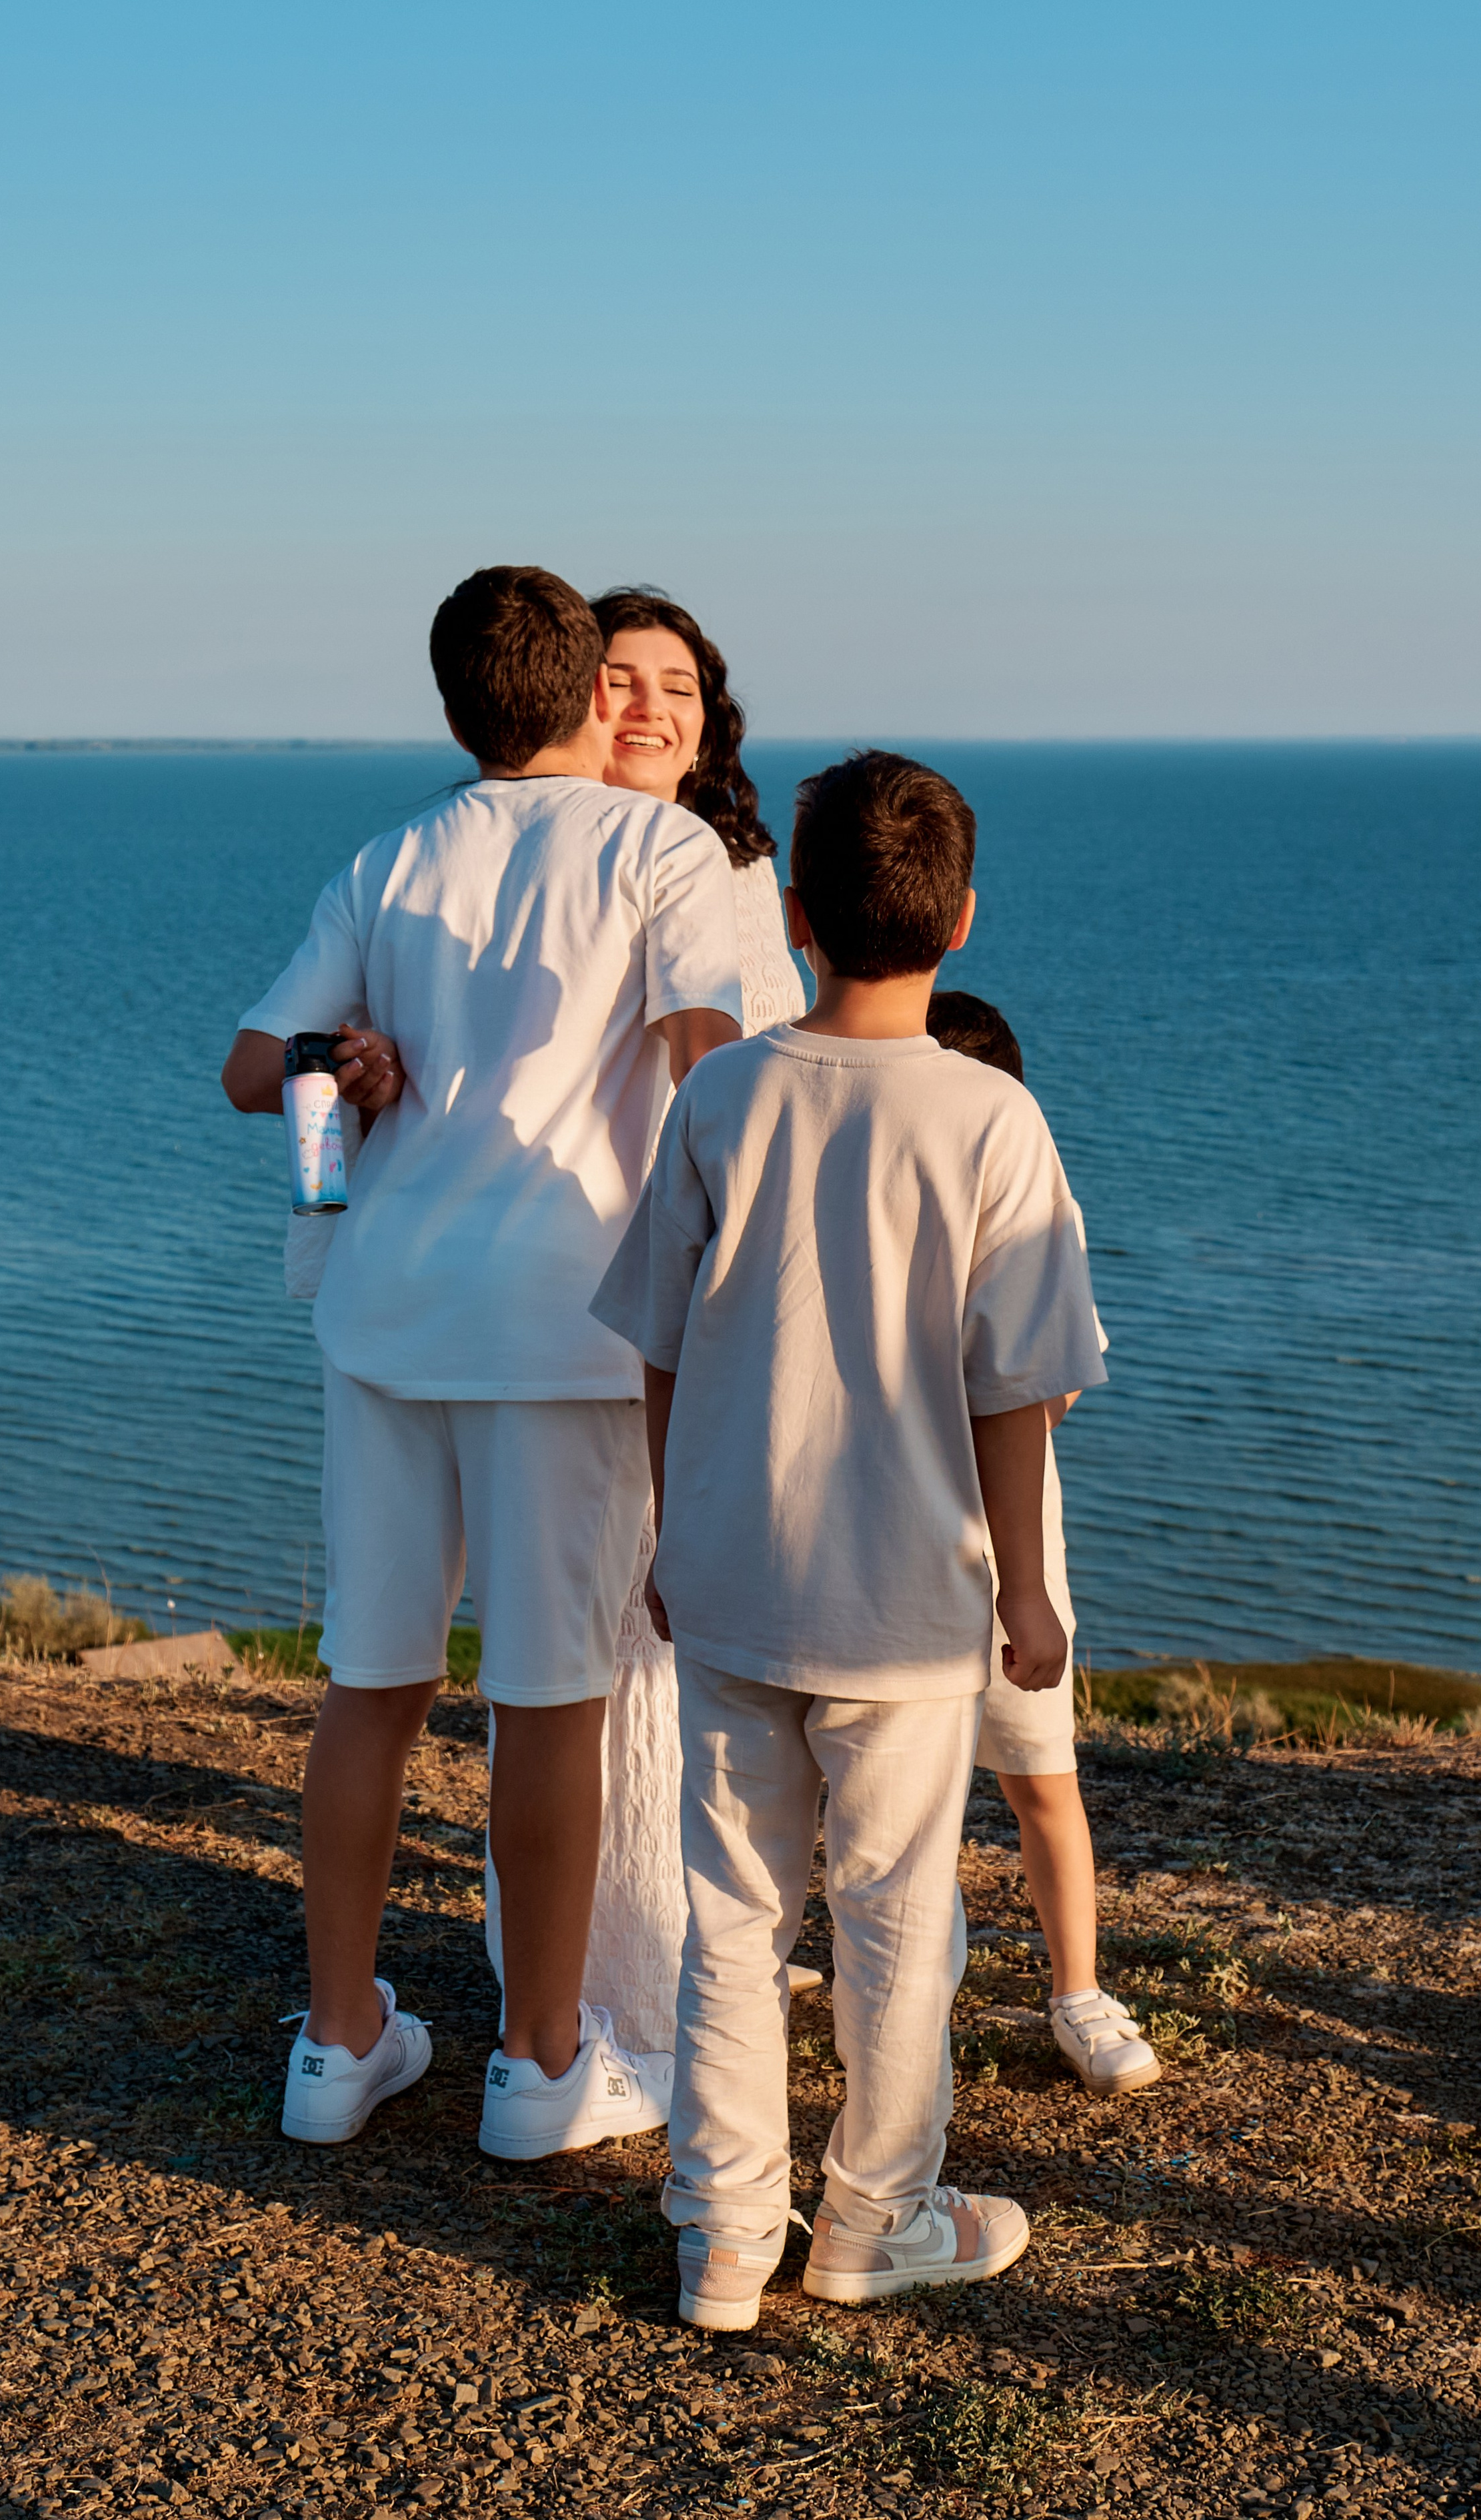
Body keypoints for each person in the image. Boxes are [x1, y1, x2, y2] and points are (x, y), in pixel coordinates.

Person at [221, 565, 743, 2160]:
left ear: (452, 706)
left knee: (371, 1685)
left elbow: (255, 1069)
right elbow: (711, 1065)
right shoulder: (665, 847)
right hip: (570, 1329)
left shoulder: (390, 855)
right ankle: (535, 2063)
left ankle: (335, 2042)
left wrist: (348, 1062)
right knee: (547, 1703)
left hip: (385, 1314)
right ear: (594, 694)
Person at [589, 750, 1108, 2329]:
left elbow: (659, 1345)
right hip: (908, 1603)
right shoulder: (991, 1119)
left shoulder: (724, 1092)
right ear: (961, 920)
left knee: (732, 1923)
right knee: (898, 1927)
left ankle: (722, 2239)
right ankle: (874, 2217)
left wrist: (674, 1537)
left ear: (794, 912)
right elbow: (1015, 1392)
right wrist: (1024, 1588)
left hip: (736, 1582)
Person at [579, 589, 816, 2051]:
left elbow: (761, 1076)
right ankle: (608, 1971)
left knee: (684, 1618)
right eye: (616, 678)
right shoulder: (531, 856)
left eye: (678, 684)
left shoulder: (733, 862)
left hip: (703, 1277)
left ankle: (697, 1954)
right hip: (566, 1289)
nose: (651, 705)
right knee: (590, 1629)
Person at [927, 991, 1160, 2096]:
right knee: (891, 1786)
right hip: (892, 1548)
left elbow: (1059, 1383)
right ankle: (926, 1963)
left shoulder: (1036, 1219)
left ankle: (1078, 1990)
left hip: (1010, 1552)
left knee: (1041, 1781)